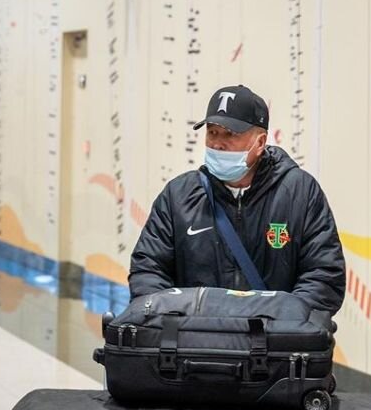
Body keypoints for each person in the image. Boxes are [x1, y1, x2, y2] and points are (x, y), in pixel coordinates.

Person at [129, 85, 345, 314]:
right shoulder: (178, 197)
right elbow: (148, 270)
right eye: (212, 132)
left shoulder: (300, 194)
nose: (217, 143)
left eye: (229, 134)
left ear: (260, 143)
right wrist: (180, 321)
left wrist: (280, 324)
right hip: (196, 343)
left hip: (272, 345)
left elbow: (324, 276)